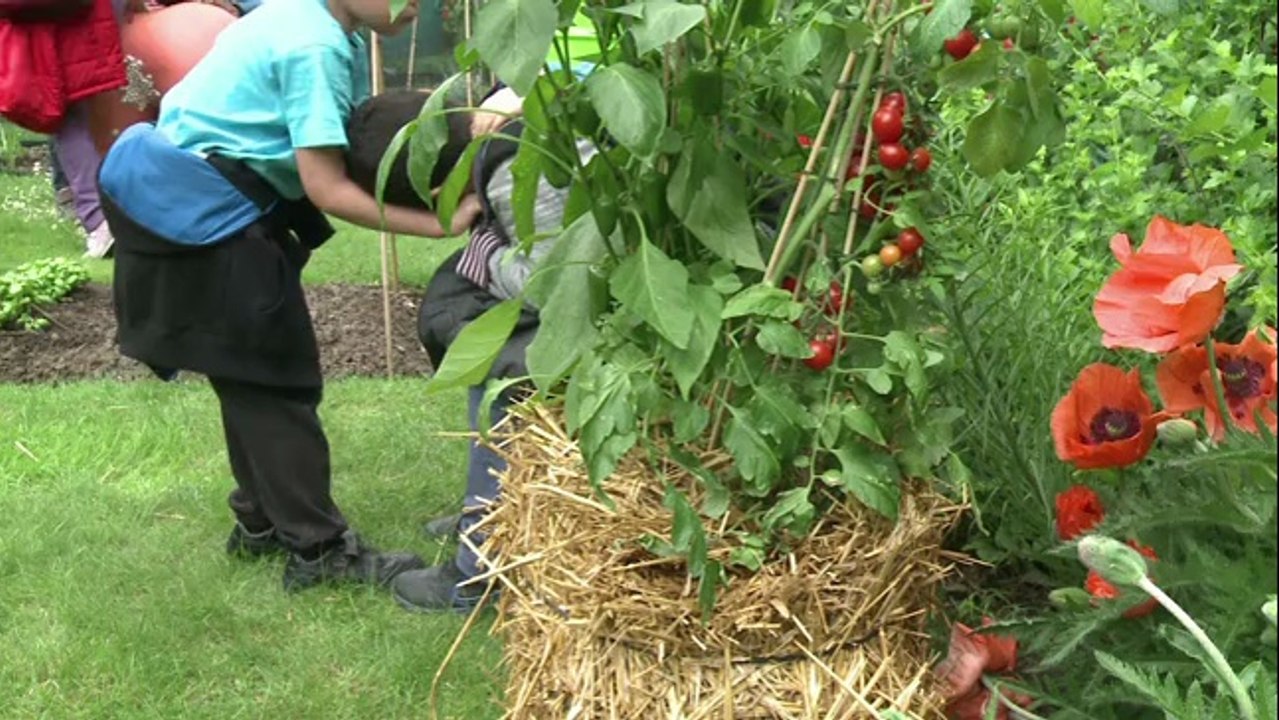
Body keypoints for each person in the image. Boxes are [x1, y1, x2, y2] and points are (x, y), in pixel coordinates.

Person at [95, 0, 483, 592]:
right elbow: (325, 187)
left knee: (246, 376)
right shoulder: (314, 44)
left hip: (179, 202)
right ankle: (320, 552)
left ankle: (260, 522)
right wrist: (441, 222)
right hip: (205, 220)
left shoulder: (297, 17)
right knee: (277, 385)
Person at [342, 82, 598, 612]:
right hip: (593, 297)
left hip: (602, 314)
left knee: (500, 384)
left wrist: (484, 251)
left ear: (436, 190)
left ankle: (477, 573)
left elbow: (550, 284)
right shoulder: (508, 121)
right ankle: (482, 515)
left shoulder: (511, 166)